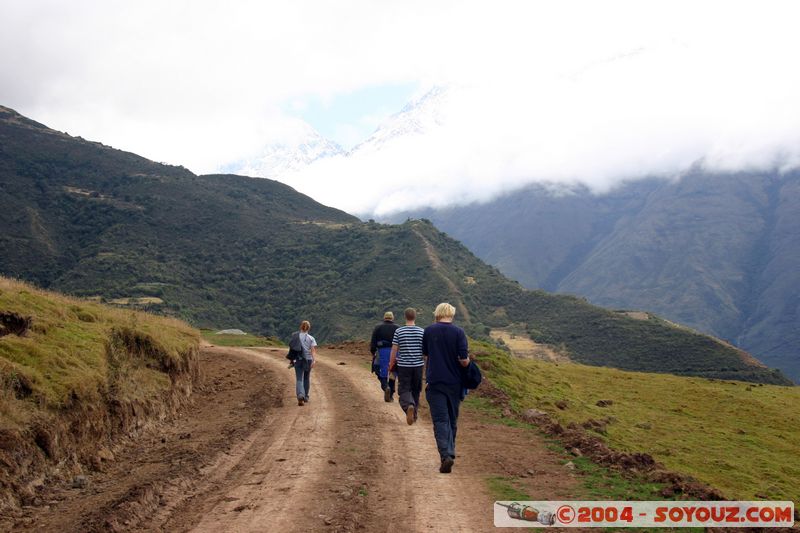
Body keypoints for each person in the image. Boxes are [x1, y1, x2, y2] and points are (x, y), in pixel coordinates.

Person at [422, 302, 470, 473]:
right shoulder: (459, 332)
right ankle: (450, 452)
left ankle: (446, 455)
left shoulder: (428, 331)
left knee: (440, 420)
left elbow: (426, 354)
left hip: (435, 382)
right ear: (452, 314)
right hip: (454, 384)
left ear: (437, 313)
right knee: (452, 420)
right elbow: (464, 360)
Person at [390, 307, 425, 425]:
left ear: (405, 317)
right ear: (415, 317)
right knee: (416, 390)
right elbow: (425, 351)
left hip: (404, 366)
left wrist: (391, 364)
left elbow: (394, 350)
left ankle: (409, 406)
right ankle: (414, 415)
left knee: (404, 389)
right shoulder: (422, 331)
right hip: (418, 366)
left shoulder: (399, 331)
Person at [370, 311, 399, 402]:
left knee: (378, 369)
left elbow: (373, 342)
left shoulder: (378, 327)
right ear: (392, 318)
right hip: (395, 352)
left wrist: (373, 352)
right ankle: (390, 395)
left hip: (381, 352)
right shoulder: (397, 328)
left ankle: (385, 386)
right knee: (392, 372)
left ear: (384, 318)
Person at [294, 320, 317, 406]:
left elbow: (292, 349)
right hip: (308, 360)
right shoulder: (311, 338)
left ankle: (300, 395)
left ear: (301, 327)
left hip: (298, 359)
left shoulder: (295, 336)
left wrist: (292, 359)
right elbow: (313, 351)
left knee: (299, 378)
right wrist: (314, 360)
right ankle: (306, 397)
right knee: (306, 378)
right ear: (309, 328)